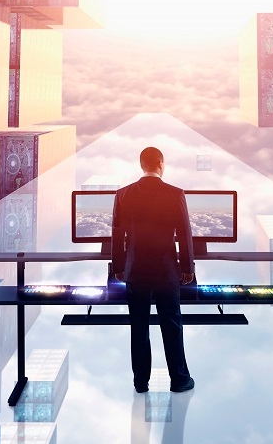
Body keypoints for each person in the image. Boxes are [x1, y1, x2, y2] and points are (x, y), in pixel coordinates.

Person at [111, 146, 196, 394]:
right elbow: (185, 234)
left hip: (135, 269)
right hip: (166, 269)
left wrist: (118, 268)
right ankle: (179, 380)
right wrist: (187, 268)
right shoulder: (175, 194)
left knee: (138, 325)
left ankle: (141, 382)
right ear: (161, 163)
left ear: (141, 165)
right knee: (171, 323)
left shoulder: (123, 194)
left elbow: (117, 235)